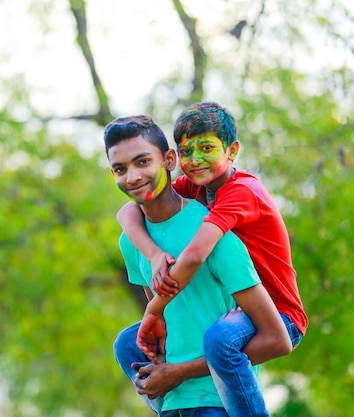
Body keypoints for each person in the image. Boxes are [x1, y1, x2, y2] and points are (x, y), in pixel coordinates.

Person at [117, 102, 307, 416]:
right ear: (175, 156)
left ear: (232, 150)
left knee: (220, 340)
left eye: (207, 148)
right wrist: (153, 255)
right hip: (239, 305)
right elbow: (128, 211)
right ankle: (169, 402)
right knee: (127, 344)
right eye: (187, 151)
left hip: (278, 312)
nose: (195, 160)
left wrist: (155, 309)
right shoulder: (195, 185)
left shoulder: (241, 191)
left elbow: (193, 255)